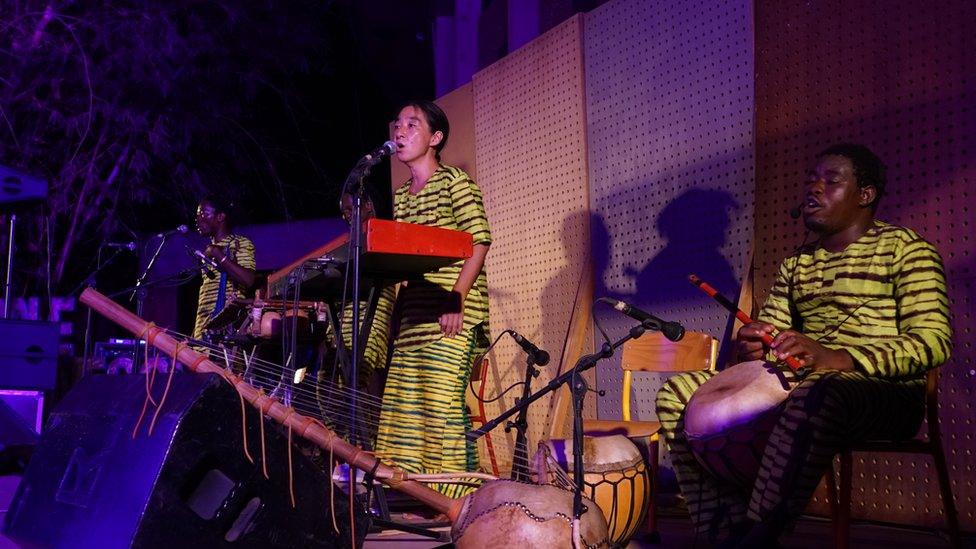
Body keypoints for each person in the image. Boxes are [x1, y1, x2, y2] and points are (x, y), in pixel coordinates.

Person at [655, 143, 952, 547]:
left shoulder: (907, 250)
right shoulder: (798, 263)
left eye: (831, 182)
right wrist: (756, 345)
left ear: (865, 195)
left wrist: (839, 358)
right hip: (806, 388)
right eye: (811, 180)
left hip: (886, 395)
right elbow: (772, 330)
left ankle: (762, 533)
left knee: (822, 389)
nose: (814, 189)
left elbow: (932, 342)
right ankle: (720, 529)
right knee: (677, 393)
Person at [374, 100, 492, 498]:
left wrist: (456, 299)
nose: (400, 132)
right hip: (415, 317)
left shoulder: (456, 182)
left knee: (440, 409)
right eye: (397, 125)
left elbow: (479, 240)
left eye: (412, 124)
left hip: (450, 312)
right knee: (404, 409)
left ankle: (454, 498)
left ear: (435, 138)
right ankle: (414, 493)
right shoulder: (403, 195)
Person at [191, 195, 257, 341]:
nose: (198, 219)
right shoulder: (207, 251)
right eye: (197, 215)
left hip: (227, 333)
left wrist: (218, 255)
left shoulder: (240, 243)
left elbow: (248, 279)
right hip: (202, 333)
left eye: (204, 214)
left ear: (220, 216)